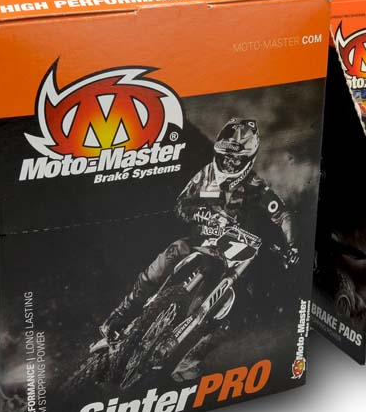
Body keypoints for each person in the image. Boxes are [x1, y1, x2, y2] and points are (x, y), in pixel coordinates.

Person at [101, 118, 300, 372]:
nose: (229, 163)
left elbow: (283, 215)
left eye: (236, 160)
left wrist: (292, 246)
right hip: (204, 241)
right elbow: (181, 204)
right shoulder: (206, 174)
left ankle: (193, 357)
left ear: (248, 160)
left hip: (239, 255)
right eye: (225, 157)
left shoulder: (258, 187)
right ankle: (121, 314)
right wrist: (201, 214)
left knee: (240, 309)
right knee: (173, 252)